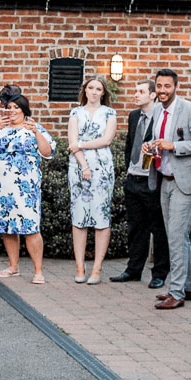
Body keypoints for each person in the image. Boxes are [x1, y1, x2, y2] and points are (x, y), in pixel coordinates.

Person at [142, 69, 191, 311]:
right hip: (164, 179)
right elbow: (157, 139)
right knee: (178, 236)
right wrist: (149, 147)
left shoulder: (190, 109)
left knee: (175, 236)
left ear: (175, 87)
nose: (162, 90)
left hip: (186, 181)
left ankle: (176, 292)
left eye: (166, 86)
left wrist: (174, 146)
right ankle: (187, 287)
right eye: (159, 86)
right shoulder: (158, 110)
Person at [0, 92, 54, 284]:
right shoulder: (1, 128)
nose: (12, 111)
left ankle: (38, 270)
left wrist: (37, 131)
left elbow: (47, 151)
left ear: (24, 110)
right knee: (8, 225)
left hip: (25, 183)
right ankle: (13, 267)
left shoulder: (33, 128)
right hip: (1, 183)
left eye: (16, 107)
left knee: (30, 225)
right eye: (9, 108)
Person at [110, 79, 169, 288]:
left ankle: (160, 273)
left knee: (158, 228)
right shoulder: (134, 115)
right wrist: (129, 168)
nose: (136, 95)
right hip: (133, 179)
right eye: (135, 91)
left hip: (152, 180)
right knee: (135, 228)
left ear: (152, 95)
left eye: (141, 91)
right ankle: (133, 269)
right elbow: (129, 144)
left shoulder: (162, 116)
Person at [67, 75, 118, 285]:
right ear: (85, 91)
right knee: (79, 217)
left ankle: (97, 269)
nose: (94, 92)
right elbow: (72, 144)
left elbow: (106, 140)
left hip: (103, 170)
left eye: (98, 89)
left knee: (101, 216)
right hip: (78, 168)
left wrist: (82, 144)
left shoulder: (110, 113)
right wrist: (84, 164)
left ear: (103, 92)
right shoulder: (75, 113)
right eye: (91, 88)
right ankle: (80, 267)